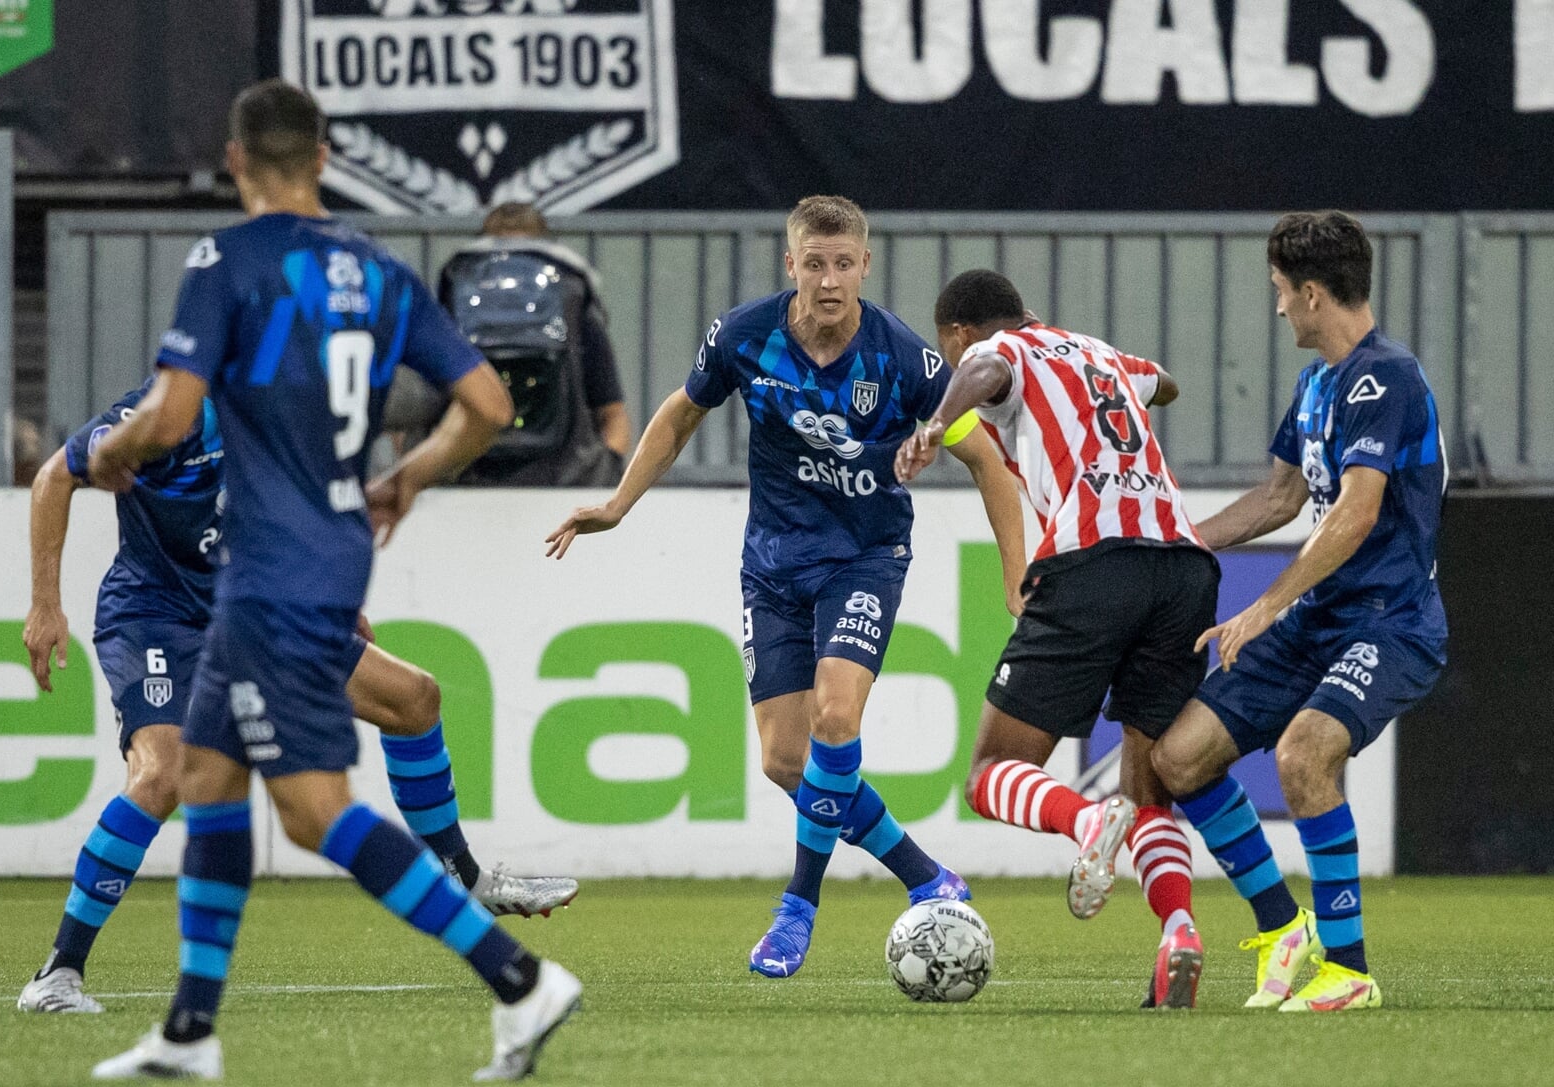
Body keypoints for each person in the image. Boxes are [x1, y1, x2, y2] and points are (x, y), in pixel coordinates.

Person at [85, 80, 580, 1081]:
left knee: (314, 810)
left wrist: (115, 450)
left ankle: (521, 978)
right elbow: (485, 400)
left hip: (273, 569)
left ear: (235, 163)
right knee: (211, 780)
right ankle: (189, 1030)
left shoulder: (225, 262)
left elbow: (173, 415)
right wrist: (407, 474)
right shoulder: (378, 269)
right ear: (321, 158)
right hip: (319, 552)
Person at [546, 195, 1027, 978]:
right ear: (791, 264)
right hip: (771, 565)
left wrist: (1015, 575)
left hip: (864, 558)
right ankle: (926, 876)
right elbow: (676, 416)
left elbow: (988, 464)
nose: (830, 280)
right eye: (815, 263)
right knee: (783, 760)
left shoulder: (902, 358)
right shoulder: (744, 336)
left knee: (837, 718)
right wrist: (617, 504)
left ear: (865, 266)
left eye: (844, 264)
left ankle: (796, 908)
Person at [14, 382, 579, 1015]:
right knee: (163, 774)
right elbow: (54, 477)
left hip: (261, 612)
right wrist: (44, 604)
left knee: (413, 698)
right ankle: (58, 972)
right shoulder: (164, 415)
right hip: (158, 617)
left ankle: (462, 875)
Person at [1147, 211, 1449, 1013]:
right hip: (1318, 621)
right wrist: (1170, 542)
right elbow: (1280, 497)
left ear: (1313, 295)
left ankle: (1348, 972)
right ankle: (1286, 930)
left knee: (1304, 756)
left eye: (1282, 293)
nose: (1279, 308)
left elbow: (1351, 514)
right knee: (1178, 759)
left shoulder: (1388, 381)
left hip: (1391, 622)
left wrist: (1262, 605)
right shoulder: (1317, 384)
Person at [897, 270, 1220, 1010]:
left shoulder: (995, 352)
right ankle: (1179, 931)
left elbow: (986, 367)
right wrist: (1115, 376)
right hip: (1183, 567)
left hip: (1094, 562)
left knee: (991, 774)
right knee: (1150, 790)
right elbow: (1164, 383)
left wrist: (931, 423)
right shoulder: (1103, 357)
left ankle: (1085, 820)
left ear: (955, 335)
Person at [412, 202, 631, 485]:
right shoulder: (573, 294)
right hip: (565, 479)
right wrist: (603, 476)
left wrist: (416, 475)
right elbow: (613, 414)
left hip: (463, 478)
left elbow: (414, 410)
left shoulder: (453, 290)